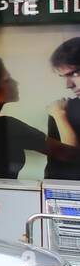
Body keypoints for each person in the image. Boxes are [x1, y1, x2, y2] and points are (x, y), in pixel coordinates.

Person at [0, 53, 78, 179]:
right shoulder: (5, 126)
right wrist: (59, 115)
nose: (16, 82)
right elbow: (71, 154)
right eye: (7, 80)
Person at [45, 39, 80, 181]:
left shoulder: (59, 112)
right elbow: (55, 171)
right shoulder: (63, 110)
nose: (68, 85)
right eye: (64, 76)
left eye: (74, 74)